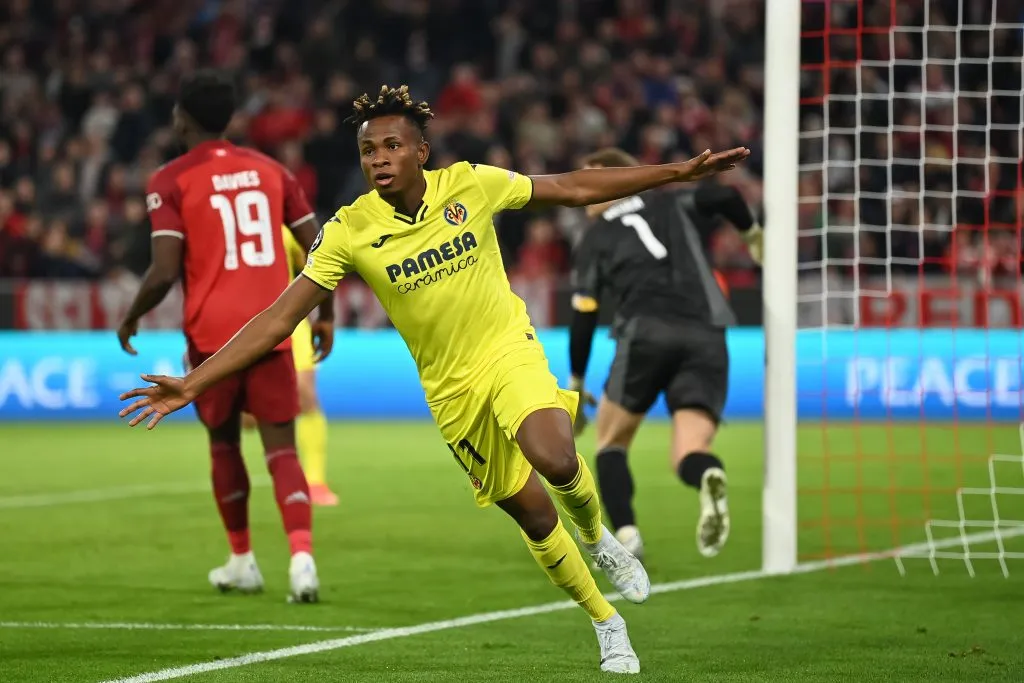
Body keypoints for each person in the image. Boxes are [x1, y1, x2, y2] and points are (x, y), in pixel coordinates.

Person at [119, 85, 749, 674]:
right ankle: (606, 621)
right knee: (532, 516)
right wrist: (194, 382)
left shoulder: (471, 184)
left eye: (392, 145)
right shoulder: (349, 230)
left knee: (555, 456)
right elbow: (280, 317)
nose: (379, 158)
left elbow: (573, 185)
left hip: (508, 350)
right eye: (368, 150)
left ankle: (598, 537)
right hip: (451, 393)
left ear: (421, 151)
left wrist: (676, 173)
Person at [116, 70, 335, 603]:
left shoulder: (169, 180)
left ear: (180, 119)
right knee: (282, 449)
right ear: (230, 118)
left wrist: (132, 315)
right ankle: (302, 560)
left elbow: (164, 271)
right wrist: (324, 313)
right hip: (272, 331)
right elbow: (321, 244)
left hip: (212, 339)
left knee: (223, 443)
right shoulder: (272, 170)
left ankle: (242, 560)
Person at [567, 148, 763, 563]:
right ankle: (707, 473)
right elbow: (726, 196)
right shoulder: (671, 201)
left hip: (646, 333)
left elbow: (584, 314)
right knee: (688, 451)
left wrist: (577, 383)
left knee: (610, 442)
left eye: (593, 178)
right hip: (707, 332)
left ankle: (627, 536)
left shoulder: (596, 237)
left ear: (617, 178)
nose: (584, 190)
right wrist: (752, 237)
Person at [242, 226, 338, 507]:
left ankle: (316, 482)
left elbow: (315, 262)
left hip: (289, 321)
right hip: (243, 322)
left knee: (306, 395)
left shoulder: (288, 224)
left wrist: (322, 313)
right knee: (248, 419)